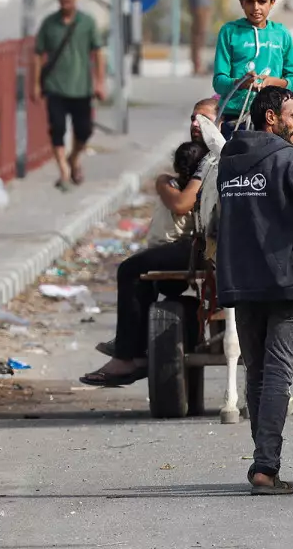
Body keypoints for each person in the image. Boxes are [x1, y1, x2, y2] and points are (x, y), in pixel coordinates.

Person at [216, 87, 293, 495]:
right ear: (271, 118)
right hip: (285, 280)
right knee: (277, 376)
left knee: (258, 373)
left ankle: (263, 462)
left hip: (241, 280)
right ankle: (265, 467)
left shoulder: (228, 162)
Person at [78, 100, 219, 387]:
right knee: (143, 272)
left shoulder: (215, 161)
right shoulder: (195, 163)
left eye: (203, 119)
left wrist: (181, 179)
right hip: (192, 245)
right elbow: (181, 200)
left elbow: (182, 205)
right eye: (193, 117)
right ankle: (135, 344)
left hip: (205, 245)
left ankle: (127, 357)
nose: (195, 123)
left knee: (130, 270)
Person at [32, 0, 106, 191]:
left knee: (84, 130)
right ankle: (64, 171)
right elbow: (38, 54)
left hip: (81, 87)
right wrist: (36, 84)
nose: (67, 2)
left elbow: (98, 52)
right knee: (57, 128)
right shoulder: (49, 24)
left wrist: (100, 82)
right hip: (55, 86)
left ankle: (73, 158)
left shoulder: (87, 22)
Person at [212, 0, 293, 135]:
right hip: (236, 119)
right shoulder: (229, 32)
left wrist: (273, 82)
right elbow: (219, 82)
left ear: (272, 2)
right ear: (241, 2)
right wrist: (240, 83)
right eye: (250, 1)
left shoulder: (281, 34)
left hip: (272, 119)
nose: (256, 8)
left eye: (262, 1)